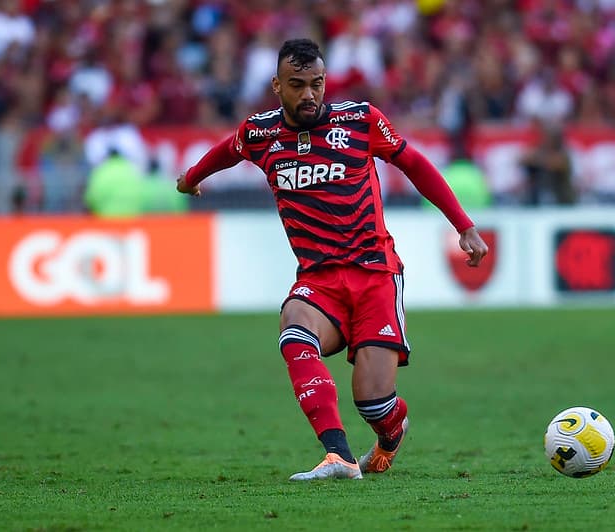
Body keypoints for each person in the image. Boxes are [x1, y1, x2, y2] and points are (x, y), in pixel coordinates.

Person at [176, 39, 488, 481]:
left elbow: (414, 164)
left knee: (374, 403)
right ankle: (338, 456)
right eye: (297, 85)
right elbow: (226, 151)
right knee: (294, 329)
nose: (309, 95)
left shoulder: (360, 121)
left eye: (317, 84)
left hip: (375, 274)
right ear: (277, 86)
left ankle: (390, 431)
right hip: (319, 281)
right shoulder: (261, 134)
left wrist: (464, 225)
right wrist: (190, 180)